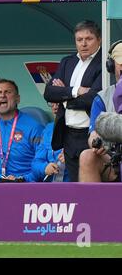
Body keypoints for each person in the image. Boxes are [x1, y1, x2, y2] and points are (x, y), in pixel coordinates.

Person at [44, 20, 102, 182]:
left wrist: (63, 98)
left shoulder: (103, 64)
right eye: (79, 39)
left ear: (99, 40)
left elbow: (93, 98)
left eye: (88, 39)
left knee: (91, 185)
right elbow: (49, 92)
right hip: (69, 134)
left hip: (91, 133)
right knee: (76, 185)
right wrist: (75, 91)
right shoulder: (67, 62)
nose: (83, 43)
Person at [79, 41, 122, 182]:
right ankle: (90, 203)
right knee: (87, 156)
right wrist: (97, 144)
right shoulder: (102, 98)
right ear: (111, 65)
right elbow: (93, 134)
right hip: (113, 159)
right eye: (121, 62)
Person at [31, 102, 69, 182]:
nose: (55, 107)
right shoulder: (48, 129)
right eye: (52, 103)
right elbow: (36, 163)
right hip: (50, 187)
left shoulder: (80, 129)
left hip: (72, 185)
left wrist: (71, 159)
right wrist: (44, 168)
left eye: (58, 103)